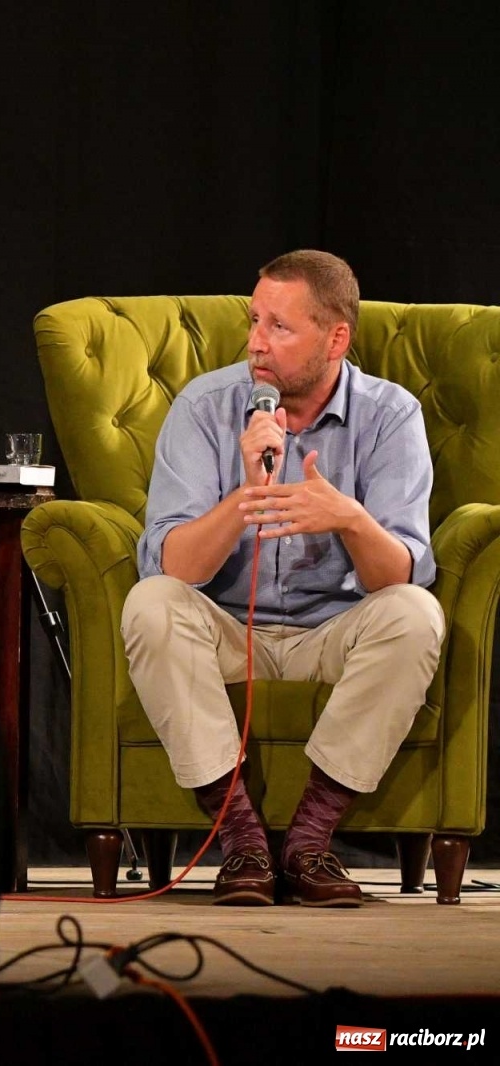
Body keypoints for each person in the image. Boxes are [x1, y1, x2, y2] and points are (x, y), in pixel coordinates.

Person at [121, 249, 444, 908]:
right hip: (225, 631)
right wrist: (244, 497)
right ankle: (242, 840)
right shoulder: (205, 406)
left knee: (416, 614)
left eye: (279, 327)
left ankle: (309, 841)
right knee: (151, 603)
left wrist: (349, 519)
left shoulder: (391, 415)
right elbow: (173, 566)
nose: (256, 343)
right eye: (254, 320)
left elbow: (402, 575)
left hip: (334, 632)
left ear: (336, 337)